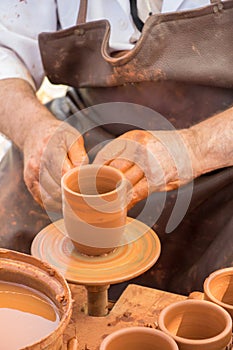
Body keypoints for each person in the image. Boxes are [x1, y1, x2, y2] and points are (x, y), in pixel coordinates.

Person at [0, 0, 232, 298]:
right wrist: (33, 128)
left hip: (220, 153)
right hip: (84, 140)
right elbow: (6, 53)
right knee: (11, 257)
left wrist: (194, 147)